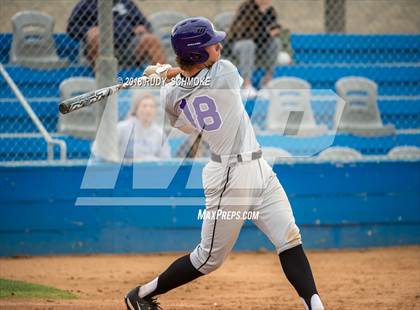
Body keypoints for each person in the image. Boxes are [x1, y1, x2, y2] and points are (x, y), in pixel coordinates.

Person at [125, 17, 324, 310]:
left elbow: (184, 112)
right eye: (211, 45)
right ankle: (139, 295)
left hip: (258, 168)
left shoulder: (169, 96)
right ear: (197, 54)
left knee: (289, 237)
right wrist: (170, 73)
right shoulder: (227, 73)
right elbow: (198, 78)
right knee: (207, 259)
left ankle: (316, 307)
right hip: (229, 175)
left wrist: (167, 75)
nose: (218, 46)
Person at [67, 0, 166, 68]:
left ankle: (162, 82)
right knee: (95, 36)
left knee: (151, 40)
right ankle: (103, 78)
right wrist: (88, 31)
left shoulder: (125, 2)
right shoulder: (87, 3)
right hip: (102, 48)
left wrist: (141, 27)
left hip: (129, 46)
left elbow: (145, 24)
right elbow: (71, 28)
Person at [224, 0, 284, 96]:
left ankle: (267, 81)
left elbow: (274, 29)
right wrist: (267, 33)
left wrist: (275, 31)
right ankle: (247, 85)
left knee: (276, 42)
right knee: (248, 44)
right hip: (239, 46)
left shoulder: (270, 11)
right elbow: (244, 34)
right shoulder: (247, 8)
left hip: (260, 48)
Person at [118, 92, 170, 160]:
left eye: (151, 106)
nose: (148, 110)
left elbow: (165, 159)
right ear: (136, 109)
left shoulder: (159, 133)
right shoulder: (122, 128)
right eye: (144, 106)